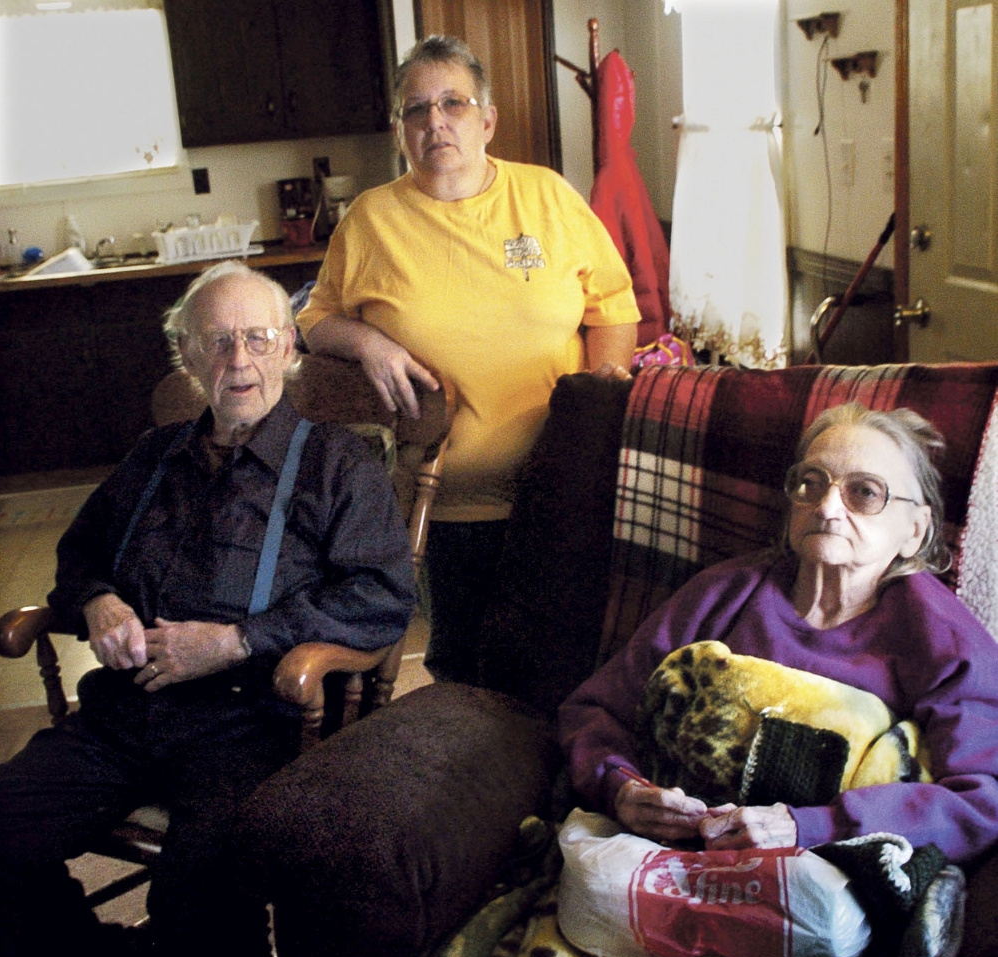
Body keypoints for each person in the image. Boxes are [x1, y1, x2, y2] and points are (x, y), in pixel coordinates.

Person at [0, 260, 417, 957]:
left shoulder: (337, 464)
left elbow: (381, 596)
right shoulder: (151, 457)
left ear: (289, 347)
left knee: (200, 898)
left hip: (253, 722)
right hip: (124, 712)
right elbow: (81, 555)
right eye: (217, 341)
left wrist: (237, 640)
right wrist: (98, 600)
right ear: (186, 357)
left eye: (258, 338)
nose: (239, 360)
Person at [296, 35, 641, 682]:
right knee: (464, 672)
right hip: (445, 507)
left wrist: (594, 406)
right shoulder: (370, 221)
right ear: (399, 129)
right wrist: (368, 341)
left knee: (570, 668)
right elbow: (315, 320)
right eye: (416, 109)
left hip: (560, 494)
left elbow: (613, 306)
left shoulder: (546, 196)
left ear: (486, 119)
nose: (435, 122)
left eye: (453, 103)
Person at [559, 402, 998, 864]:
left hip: (834, 878)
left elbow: (983, 798)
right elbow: (594, 710)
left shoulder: (941, 636)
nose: (826, 507)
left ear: (914, 530)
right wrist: (621, 788)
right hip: (667, 859)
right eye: (810, 483)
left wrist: (807, 827)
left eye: (865, 493)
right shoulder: (722, 594)